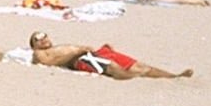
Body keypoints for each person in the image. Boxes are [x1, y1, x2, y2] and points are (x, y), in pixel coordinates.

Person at [28, 31, 192, 78]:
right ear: (33, 45)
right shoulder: (39, 54)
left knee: (138, 64)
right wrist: (77, 52)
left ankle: (173, 76)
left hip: (94, 53)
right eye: (37, 39)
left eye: (44, 36)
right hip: (81, 60)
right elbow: (48, 64)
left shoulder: (56, 46)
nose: (42, 39)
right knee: (113, 67)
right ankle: (133, 77)